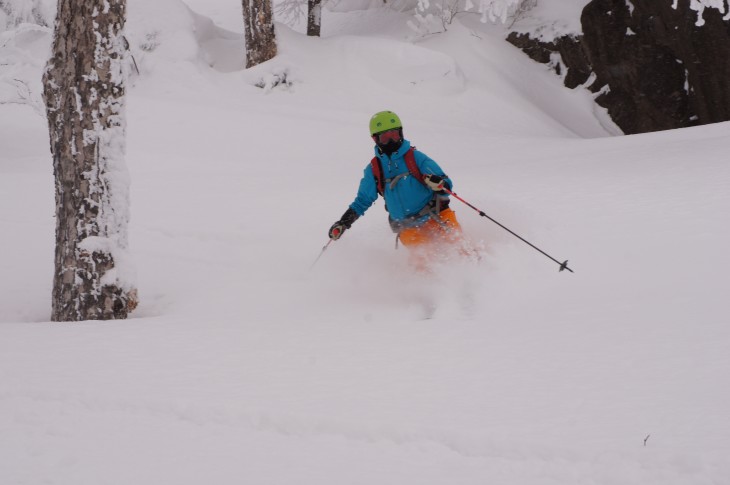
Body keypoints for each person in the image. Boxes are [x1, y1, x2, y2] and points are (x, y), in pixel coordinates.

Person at [328, 110, 466, 267]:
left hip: (437, 214)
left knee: (459, 246)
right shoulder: (374, 169)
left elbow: (445, 183)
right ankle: (431, 289)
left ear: (401, 132)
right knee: (423, 261)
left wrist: (440, 184)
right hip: (407, 226)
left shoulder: (415, 157)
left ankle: (480, 274)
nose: (391, 140)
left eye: (394, 134)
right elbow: (363, 200)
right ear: (375, 139)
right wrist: (343, 222)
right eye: (385, 137)